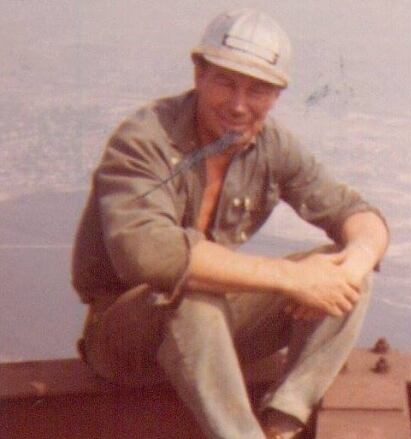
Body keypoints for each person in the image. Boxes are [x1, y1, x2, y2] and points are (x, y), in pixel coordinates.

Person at [70, 8, 388, 439]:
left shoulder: (270, 145)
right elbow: (148, 253)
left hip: (211, 339)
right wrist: (291, 278)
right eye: (226, 82)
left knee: (346, 276)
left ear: (277, 95)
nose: (239, 105)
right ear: (199, 74)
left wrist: (351, 267)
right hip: (125, 340)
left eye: (258, 90)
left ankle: (283, 423)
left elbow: (358, 214)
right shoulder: (145, 139)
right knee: (189, 299)